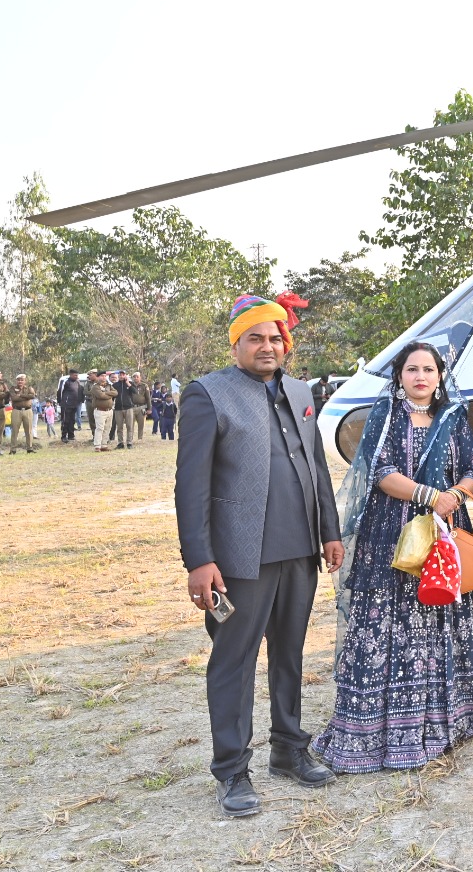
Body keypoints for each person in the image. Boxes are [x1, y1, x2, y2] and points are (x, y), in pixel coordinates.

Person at [176, 292, 342, 817]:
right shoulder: (209, 394)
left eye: (275, 337)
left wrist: (330, 531)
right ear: (237, 343)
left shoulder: (299, 391)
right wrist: (199, 559)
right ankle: (231, 770)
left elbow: (316, 466)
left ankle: (289, 749)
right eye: (256, 338)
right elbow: (191, 485)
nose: (267, 346)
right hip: (239, 558)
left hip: (300, 551)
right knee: (234, 660)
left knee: (290, 653)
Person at [313, 341, 473, 772]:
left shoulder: (453, 417)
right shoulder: (386, 417)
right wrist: (431, 496)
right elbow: (382, 472)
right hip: (393, 533)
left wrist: (454, 496)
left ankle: (443, 720)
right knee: (386, 623)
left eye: (429, 369)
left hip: (445, 532)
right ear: (400, 376)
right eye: (412, 369)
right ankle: (376, 729)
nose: (421, 377)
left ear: (441, 375)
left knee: (439, 613)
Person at [87, 370, 116, 452]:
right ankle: (97, 446)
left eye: (104, 376)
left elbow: (116, 393)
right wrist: (109, 395)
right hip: (100, 411)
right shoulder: (95, 387)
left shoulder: (109, 385)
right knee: (100, 428)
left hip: (109, 411)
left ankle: (104, 445)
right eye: (101, 376)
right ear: (98, 377)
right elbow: (100, 395)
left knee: (107, 428)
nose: (103, 377)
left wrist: (106, 393)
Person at [9, 374, 38, 454]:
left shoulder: (29, 388)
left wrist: (21, 395)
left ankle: (29, 448)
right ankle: (13, 449)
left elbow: (32, 396)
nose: (20, 381)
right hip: (16, 411)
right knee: (14, 430)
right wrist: (26, 396)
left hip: (27, 410)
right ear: (16, 381)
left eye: (22, 380)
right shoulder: (12, 388)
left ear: (25, 381)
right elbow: (14, 398)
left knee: (28, 431)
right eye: (18, 380)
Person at [111, 370, 136, 449]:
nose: (121, 376)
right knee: (119, 427)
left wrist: (128, 383)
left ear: (125, 375)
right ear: (118, 376)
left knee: (129, 426)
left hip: (128, 408)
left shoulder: (130, 384)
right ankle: (120, 443)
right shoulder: (115, 385)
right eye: (120, 375)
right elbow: (112, 396)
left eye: (123, 375)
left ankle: (129, 442)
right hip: (118, 408)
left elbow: (135, 392)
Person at [57, 371, 84, 443]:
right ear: (71, 375)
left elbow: (79, 391)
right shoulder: (65, 381)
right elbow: (60, 391)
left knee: (72, 420)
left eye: (77, 375)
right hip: (66, 404)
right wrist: (60, 401)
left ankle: (71, 435)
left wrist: (80, 400)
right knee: (65, 420)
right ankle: (63, 436)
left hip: (74, 404)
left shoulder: (77, 382)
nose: (77, 377)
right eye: (75, 375)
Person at [130, 372, 151, 442]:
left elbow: (148, 398)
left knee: (141, 423)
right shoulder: (129, 385)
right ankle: (130, 438)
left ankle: (140, 438)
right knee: (130, 424)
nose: (136, 378)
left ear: (140, 378)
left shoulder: (144, 386)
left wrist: (149, 408)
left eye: (137, 377)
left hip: (141, 407)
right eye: (134, 377)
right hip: (131, 407)